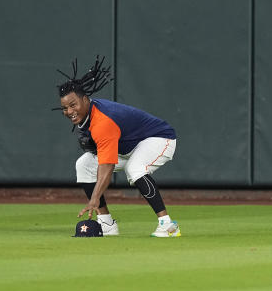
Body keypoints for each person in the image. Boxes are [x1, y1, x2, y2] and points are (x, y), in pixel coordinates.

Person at [55, 56, 180, 237]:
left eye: (73, 105)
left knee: (135, 168)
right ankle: (106, 223)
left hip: (159, 139)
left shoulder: (102, 121)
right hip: (129, 147)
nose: (69, 111)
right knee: (84, 165)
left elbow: (107, 165)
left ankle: (168, 226)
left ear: (85, 99)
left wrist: (94, 198)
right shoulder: (88, 116)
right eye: (65, 108)